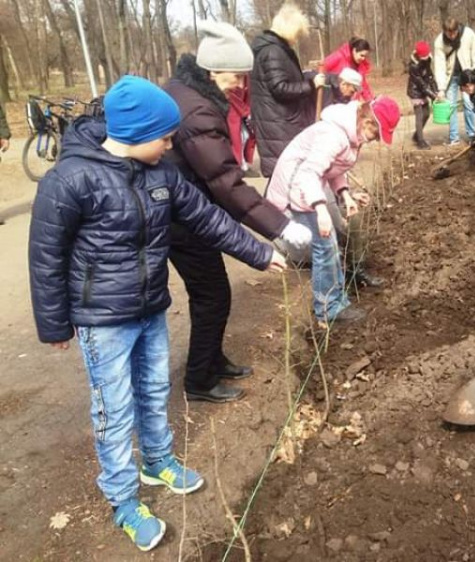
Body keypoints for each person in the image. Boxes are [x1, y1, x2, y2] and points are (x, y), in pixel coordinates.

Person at [27, 75, 286, 551]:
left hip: (149, 308)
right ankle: (124, 501)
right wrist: (54, 323)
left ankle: (158, 460)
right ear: (135, 133)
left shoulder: (163, 173)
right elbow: (46, 255)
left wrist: (260, 252)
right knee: (114, 409)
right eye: (165, 136)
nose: (171, 144)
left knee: (154, 388)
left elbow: (208, 219)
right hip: (102, 320)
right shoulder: (71, 180)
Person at [164, 20, 311, 403]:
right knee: (211, 295)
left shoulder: (186, 91)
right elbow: (224, 183)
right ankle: (199, 379)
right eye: (236, 76)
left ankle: (212, 360)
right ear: (213, 71)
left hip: (189, 211)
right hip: (181, 219)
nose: (240, 85)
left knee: (211, 292)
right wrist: (279, 226)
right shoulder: (197, 111)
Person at [266, 97, 400, 327]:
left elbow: (334, 169)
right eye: (376, 132)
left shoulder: (352, 135)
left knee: (330, 244)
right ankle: (328, 309)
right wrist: (320, 209)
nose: (376, 138)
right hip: (295, 189)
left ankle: (338, 299)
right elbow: (308, 173)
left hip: (306, 187)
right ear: (368, 120)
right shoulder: (333, 136)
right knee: (325, 247)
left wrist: (345, 195)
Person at [251, 4, 324, 178]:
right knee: (285, 174)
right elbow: (280, 88)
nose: (297, 39)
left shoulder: (274, 50)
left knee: (284, 174)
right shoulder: (273, 52)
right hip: (279, 123)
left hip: (278, 121)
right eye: (297, 34)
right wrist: (311, 85)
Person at [433, 17, 475, 146]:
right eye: (448, 34)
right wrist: (441, 88)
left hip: (467, 75)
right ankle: (453, 137)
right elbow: (439, 65)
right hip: (451, 76)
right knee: (451, 106)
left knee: (468, 103)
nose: (451, 36)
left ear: (457, 29)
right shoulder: (439, 42)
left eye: (453, 33)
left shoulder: (468, 34)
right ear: (444, 31)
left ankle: (472, 134)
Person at [407, 40, 439, 150]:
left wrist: (436, 91)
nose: (425, 58)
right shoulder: (413, 66)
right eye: (423, 57)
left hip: (424, 91)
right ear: (419, 55)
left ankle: (416, 135)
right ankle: (420, 142)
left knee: (427, 114)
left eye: (426, 56)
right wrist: (433, 96)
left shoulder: (428, 60)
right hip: (416, 92)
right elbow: (421, 84)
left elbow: (430, 77)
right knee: (420, 116)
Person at [323, 38, 374, 102]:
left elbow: (363, 86)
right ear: (354, 50)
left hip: (349, 101)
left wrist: (371, 101)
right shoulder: (339, 56)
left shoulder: (361, 66)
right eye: (361, 55)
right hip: (333, 99)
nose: (363, 58)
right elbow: (322, 67)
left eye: (365, 56)